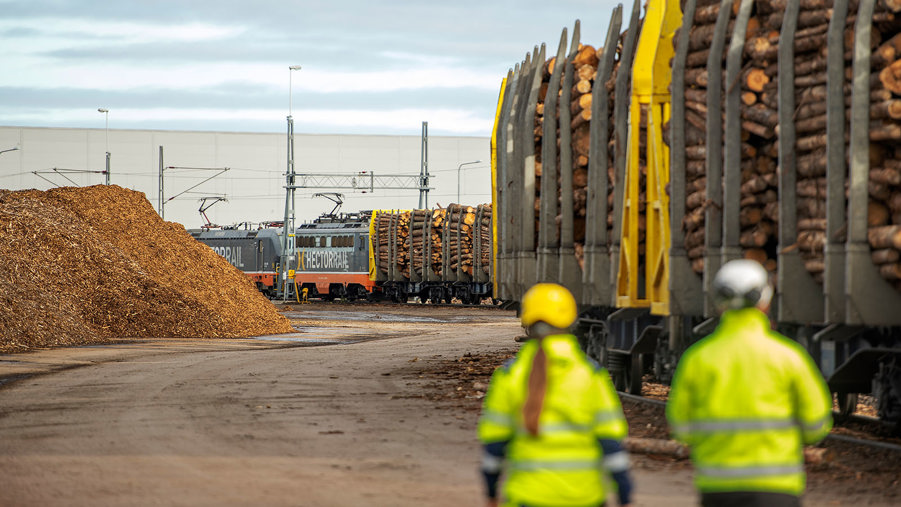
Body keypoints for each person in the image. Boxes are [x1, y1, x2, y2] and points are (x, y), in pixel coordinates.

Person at [666, 259, 833, 507]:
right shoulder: (789, 357)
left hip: (718, 488)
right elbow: (816, 425)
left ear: (719, 302)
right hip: (777, 488)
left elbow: (681, 427)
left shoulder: (697, 359)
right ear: (764, 301)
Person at [478, 283, 633, 507]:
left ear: (528, 320)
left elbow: (495, 447)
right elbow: (610, 444)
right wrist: (624, 495)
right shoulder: (590, 375)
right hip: (584, 499)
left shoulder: (509, 376)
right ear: (571, 320)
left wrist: (491, 493)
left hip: (527, 498)